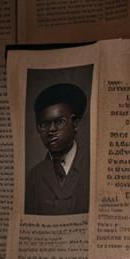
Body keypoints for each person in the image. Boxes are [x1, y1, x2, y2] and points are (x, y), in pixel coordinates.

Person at [24, 82, 89, 216]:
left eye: (60, 121)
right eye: (44, 124)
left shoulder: (93, 164)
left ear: (75, 124)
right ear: (38, 129)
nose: (52, 129)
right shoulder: (34, 176)